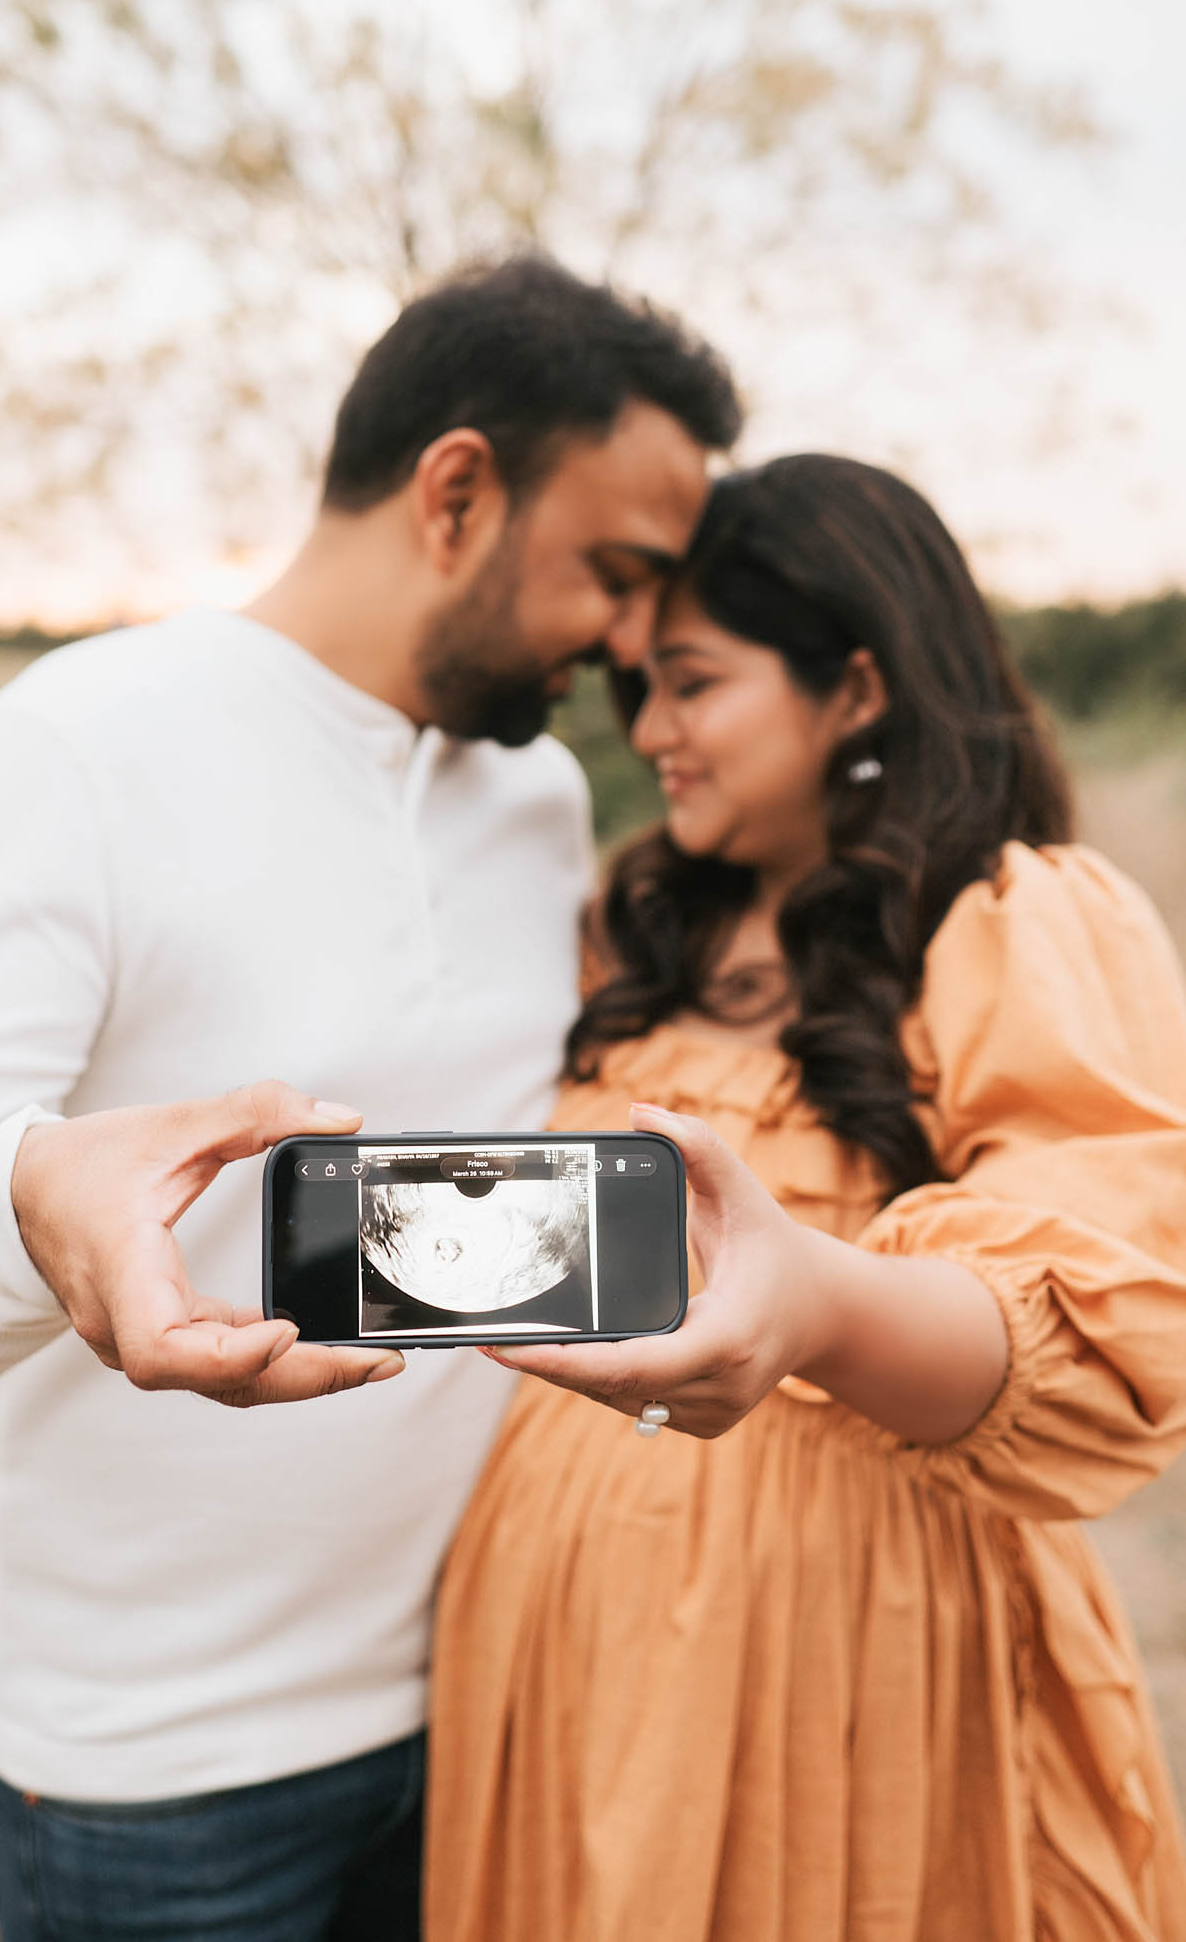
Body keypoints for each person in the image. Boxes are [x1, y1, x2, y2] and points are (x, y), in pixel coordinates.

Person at [0, 254, 740, 1941]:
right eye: (615, 574)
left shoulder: (539, 800)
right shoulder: (75, 752)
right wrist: (27, 1199)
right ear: (458, 491)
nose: (631, 645)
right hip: (157, 1788)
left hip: (490, 1700)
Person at [425, 455, 1186, 1942]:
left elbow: (1109, 1327)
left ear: (851, 687)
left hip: (843, 1658)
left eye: (692, 685)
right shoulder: (624, 926)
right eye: (635, 689)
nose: (648, 735)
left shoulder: (1012, 917)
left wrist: (821, 1302)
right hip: (558, 1651)